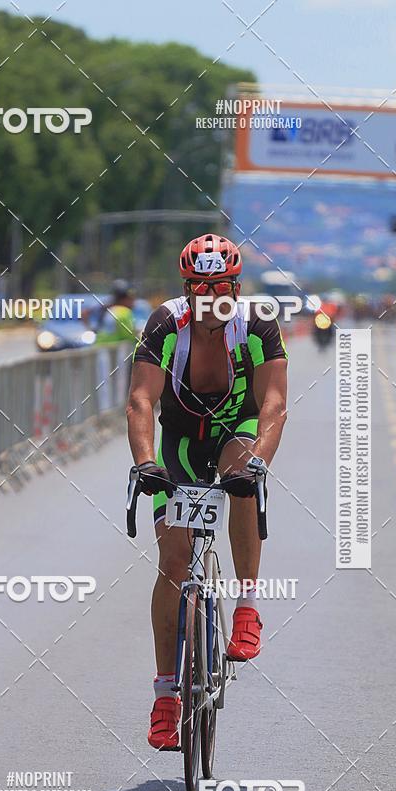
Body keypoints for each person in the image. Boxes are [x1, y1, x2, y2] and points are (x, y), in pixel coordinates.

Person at [126, 233, 288, 749]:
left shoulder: (258, 324)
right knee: (173, 560)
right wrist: (146, 463)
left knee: (242, 475)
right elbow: (140, 402)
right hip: (178, 440)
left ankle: (245, 607)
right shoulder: (165, 324)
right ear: (187, 288)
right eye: (200, 288)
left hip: (235, 428)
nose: (210, 299)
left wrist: (258, 462)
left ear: (236, 289)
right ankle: (166, 694)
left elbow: (274, 405)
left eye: (221, 289)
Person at [95, 278, 138, 344]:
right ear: (125, 299)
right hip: (112, 351)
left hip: (99, 348)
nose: (134, 302)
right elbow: (130, 336)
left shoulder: (109, 310)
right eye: (131, 299)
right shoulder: (124, 312)